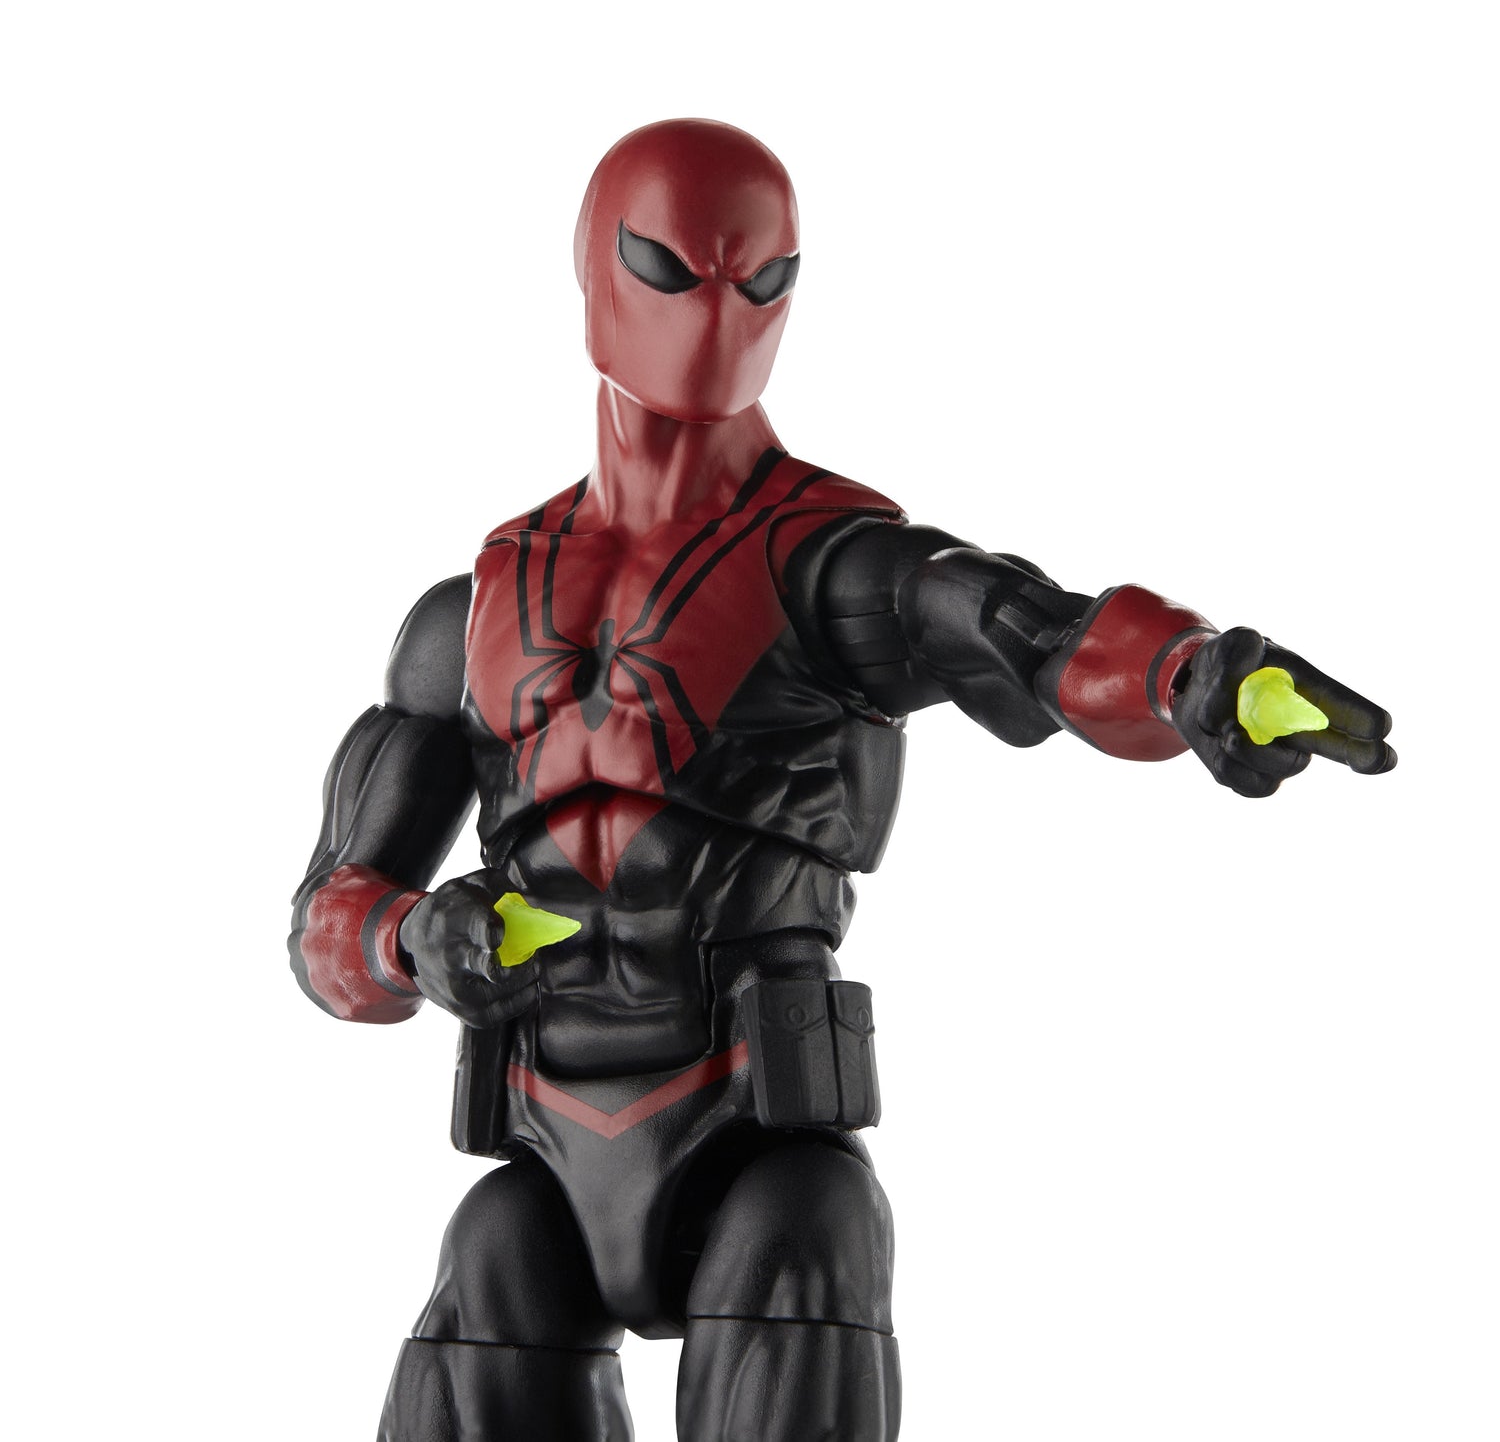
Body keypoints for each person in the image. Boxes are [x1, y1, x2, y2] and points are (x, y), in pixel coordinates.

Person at [288, 119, 1395, 1441]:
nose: (717, 316)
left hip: (753, 1128)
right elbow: (326, 923)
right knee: (491, 1282)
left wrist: (1193, 678)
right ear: (593, 268)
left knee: (801, 1255)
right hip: (539, 1135)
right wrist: (413, 937)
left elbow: (1038, 634)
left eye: (761, 281)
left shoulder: (831, 566)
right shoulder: (470, 610)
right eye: (671, 269)